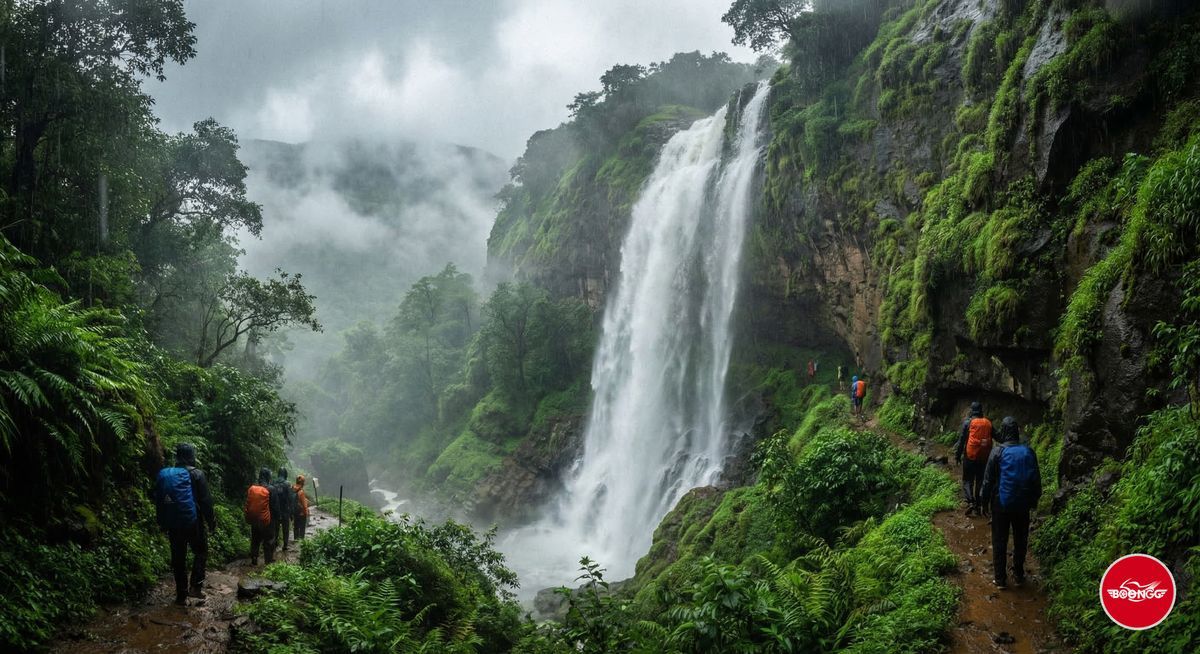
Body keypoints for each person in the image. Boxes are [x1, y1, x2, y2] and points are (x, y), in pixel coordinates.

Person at [980, 417, 1042, 589]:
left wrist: (983, 503)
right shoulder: (1029, 451)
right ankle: (1019, 574)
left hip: (1001, 503)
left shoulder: (997, 452)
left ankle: (1000, 579)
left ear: (1004, 432)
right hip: (1023, 504)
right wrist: (1034, 500)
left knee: (1000, 539)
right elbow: (1036, 479)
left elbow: (987, 480)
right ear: (1017, 432)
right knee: (1020, 539)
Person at [153, 442, 216, 606]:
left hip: (174, 523)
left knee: (178, 557)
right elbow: (206, 502)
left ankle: (181, 594)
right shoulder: (197, 474)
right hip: (194, 523)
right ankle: (195, 587)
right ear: (191, 456)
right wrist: (212, 522)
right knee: (200, 551)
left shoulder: (168, 474)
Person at [954, 402, 993, 516]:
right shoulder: (988, 423)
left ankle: (971, 501)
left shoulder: (968, 423)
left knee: (967, 480)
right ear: (981, 411)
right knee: (980, 480)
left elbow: (962, 441)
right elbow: (996, 436)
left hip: (970, 457)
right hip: (984, 457)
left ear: (972, 411)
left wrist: (958, 455)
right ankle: (979, 503)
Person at [245, 468, 276, 565]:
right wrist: (277, 518)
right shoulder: (271, 489)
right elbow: (275, 506)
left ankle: (254, 559)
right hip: (267, 519)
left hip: (255, 519)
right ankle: (268, 561)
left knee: (255, 539)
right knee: (269, 540)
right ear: (268, 477)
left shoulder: (254, 488)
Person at [274, 467, 295, 551]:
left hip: (275, 510)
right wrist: (291, 512)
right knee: (285, 529)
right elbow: (291, 499)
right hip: (285, 510)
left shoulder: (273, 482)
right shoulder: (287, 484)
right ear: (285, 474)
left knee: (275, 528)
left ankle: (274, 544)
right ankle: (285, 545)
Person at [292, 474, 310, 541]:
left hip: (295, 511)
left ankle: (295, 539)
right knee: (302, 528)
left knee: (296, 526)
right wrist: (306, 513)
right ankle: (301, 541)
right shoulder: (301, 491)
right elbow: (304, 505)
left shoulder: (292, 488)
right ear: (302, 482)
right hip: (301, 513)